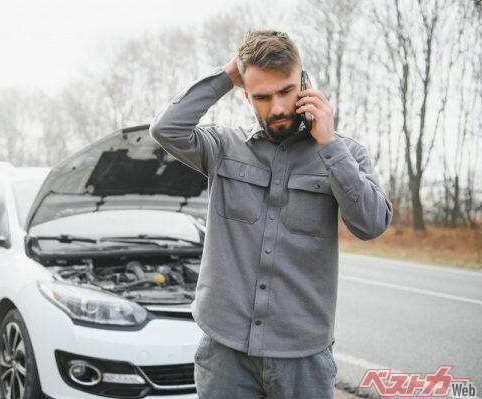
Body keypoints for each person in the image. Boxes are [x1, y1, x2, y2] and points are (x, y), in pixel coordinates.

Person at [149, 29, 393, 399]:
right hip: (225, 353)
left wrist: (330, 146)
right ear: (245, 94)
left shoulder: (345, 153)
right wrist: (228, 74)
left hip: (303, 358)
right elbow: (166, 129)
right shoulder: (222, 148)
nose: (277, 108)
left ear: (305, 83)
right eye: (262, 96)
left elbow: (372, 224)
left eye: (285, 91)